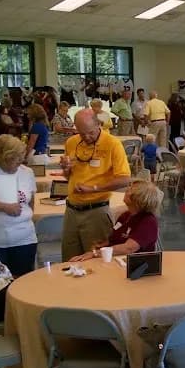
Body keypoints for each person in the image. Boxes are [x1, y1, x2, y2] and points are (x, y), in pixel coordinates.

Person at [59, 109, 132, 261]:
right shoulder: (71, 142)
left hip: (96, 210)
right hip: (71, 210)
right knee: (69, 260)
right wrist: (65, 169)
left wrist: (94, 188)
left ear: (98, 124)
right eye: (81, 133)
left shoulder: (113, 144)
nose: (86, 137)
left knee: (97, 260)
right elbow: (68, 176)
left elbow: (125, 179)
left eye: (90, 132)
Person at [66, 181, 163, 262]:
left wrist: (95, 253)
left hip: (132, 264)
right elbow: (115, 237)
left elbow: (128, 248)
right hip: (115, 260)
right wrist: (102, 244)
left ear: (139, 199)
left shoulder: (148, 222)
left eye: (131, 190)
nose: (127, 190)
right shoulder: (125, 215)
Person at [0, 134, 37, 322]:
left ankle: (22, 319)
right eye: (15, 158)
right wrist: (4, 206)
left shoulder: (26, 172)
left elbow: (31, 202)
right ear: (3, 157)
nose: (20, 162)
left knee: (23, 282)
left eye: (21, 157)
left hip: (24, 237)